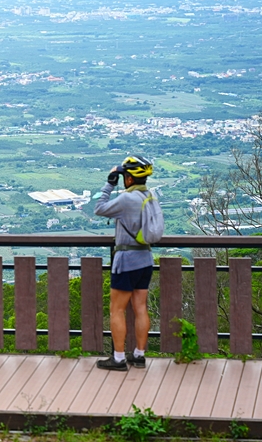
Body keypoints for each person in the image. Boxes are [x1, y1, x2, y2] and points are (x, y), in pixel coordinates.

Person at [93, 155, 159, 371]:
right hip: (145, 259)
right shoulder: (150, 195)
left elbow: (99, 208)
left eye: (124, 176)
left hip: (126, 261)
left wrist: (108, 184)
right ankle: (139, 355)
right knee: (140, 308)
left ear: (129, 179)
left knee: (117, 310)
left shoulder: (126, 199)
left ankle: (119, 358)